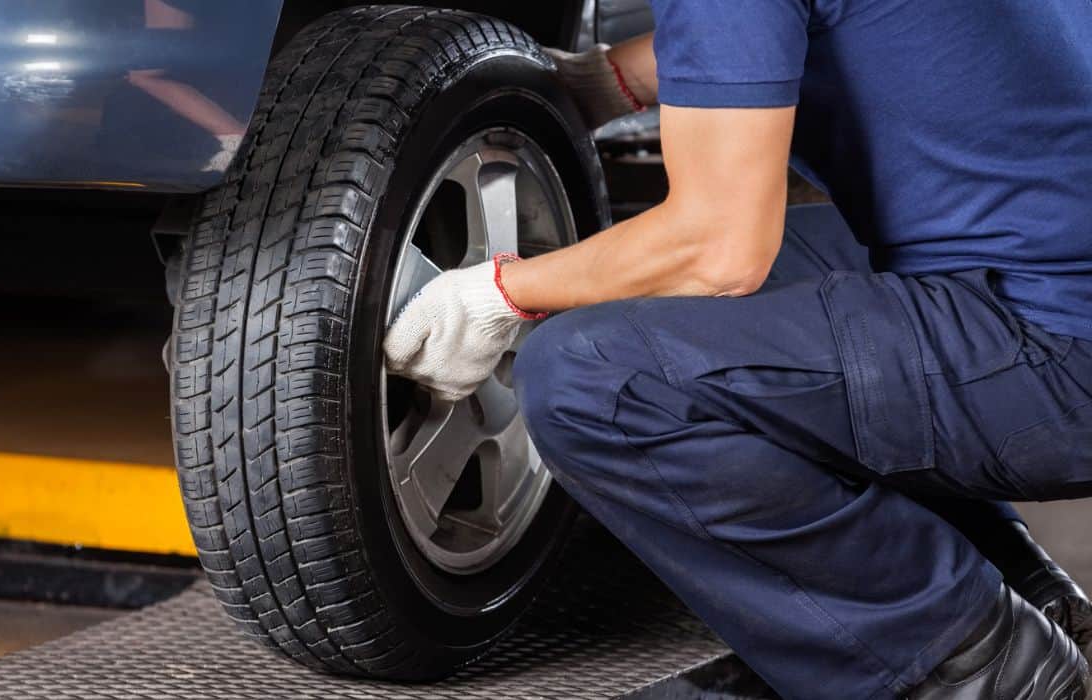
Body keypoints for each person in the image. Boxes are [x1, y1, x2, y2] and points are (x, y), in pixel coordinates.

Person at [383, 3, 1092, 698]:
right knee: (675, 311)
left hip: (1054, 348)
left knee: (593, 377)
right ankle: (1023, 588)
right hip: (1041, 271)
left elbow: (718, 252)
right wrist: (614, 80)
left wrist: (500, 294)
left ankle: (961, 662)